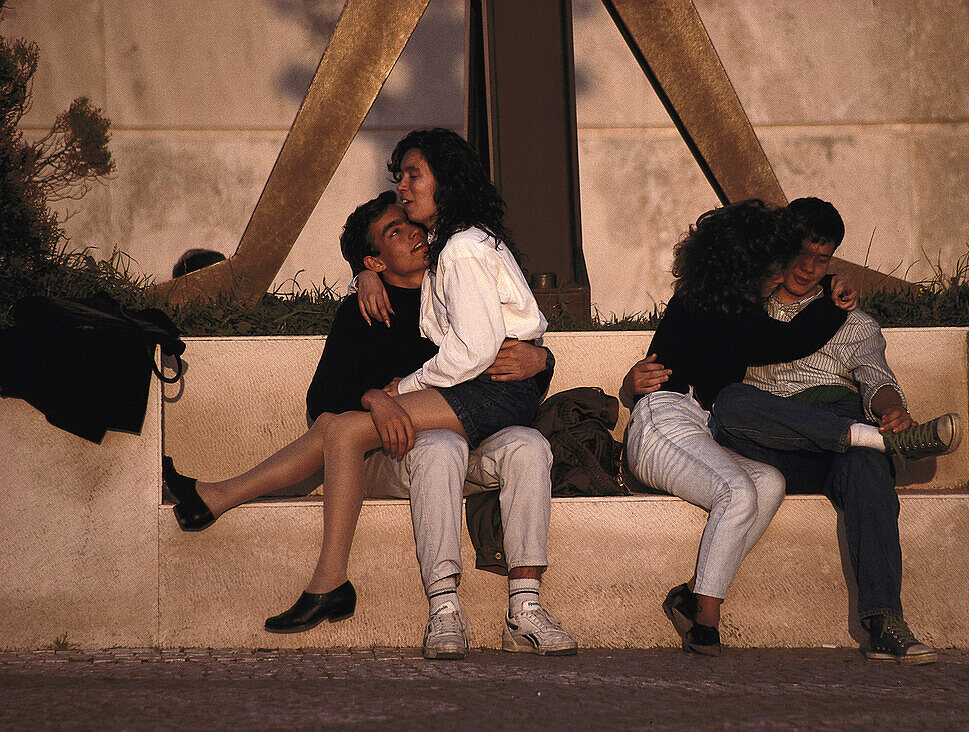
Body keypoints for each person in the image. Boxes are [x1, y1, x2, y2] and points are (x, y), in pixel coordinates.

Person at [163, 190, 576, 658]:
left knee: (524, 443)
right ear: (375, 262)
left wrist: (542, 357)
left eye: (412, 225)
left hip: (474, 439)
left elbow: (509, 349)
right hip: (394, 454)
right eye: (394, 233)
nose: (414, 235)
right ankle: (441, 611)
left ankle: (526, 612)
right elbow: (323, 404)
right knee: (426, 443)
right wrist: (374, 397)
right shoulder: (362, 312)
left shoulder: (455, 283)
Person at [268, 128, 576, 656]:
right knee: (498, 446)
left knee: (343, 430)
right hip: (494, 397)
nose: (404, 187)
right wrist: (361, 278)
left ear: (445, 181)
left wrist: (402, 387)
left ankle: (330, 582)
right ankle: (473, 610)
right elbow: (396, 267)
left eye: (414, 176)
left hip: (489, 391)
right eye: (401, 177)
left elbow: (476, 350)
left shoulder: (459, 249)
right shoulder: (449, 247)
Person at [709, 197, 960, 665]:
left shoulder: (853, 321)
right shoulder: (748, 311)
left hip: (836, 434)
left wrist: (894, 411)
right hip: (770, 441)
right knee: (731, 402)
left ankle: (885, 622)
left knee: (866, 467)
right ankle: (877, 441)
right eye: (801, 254)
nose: (809, 268)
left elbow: (876, 377)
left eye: (822, 259)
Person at [620, 200, 856, 656]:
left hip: (694, 425)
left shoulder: (722, 302)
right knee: (739, 492)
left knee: (769, 482)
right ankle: (705, 618)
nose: (781, 275)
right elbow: (787, 340)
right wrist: (832, 297)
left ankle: (691, 593)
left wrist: (828, 285)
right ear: (744, 268)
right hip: (663, 420)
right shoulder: (711, 309)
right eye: (774, 267)